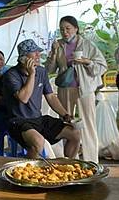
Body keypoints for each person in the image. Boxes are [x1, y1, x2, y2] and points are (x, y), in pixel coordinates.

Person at [3, 39, 80, 159]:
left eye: (38, 52)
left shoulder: (42, 71)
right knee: (38, 142)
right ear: (23, 58)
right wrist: (32, 74)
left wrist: (65, 114)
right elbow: (24, 98)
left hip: (38, 119)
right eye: (34, 52)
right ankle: (29, 173)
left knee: (74, 134)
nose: (38, 55)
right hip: (18, 121)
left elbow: (50, 96)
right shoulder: (11, 75)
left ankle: (67, 166)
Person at [45, 15, 107, 162]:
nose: (65, 32)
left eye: (68, 28)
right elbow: (49, 69)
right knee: (66, 123)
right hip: (65, 89)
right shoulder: (58, 45)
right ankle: (69, 159)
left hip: (84, 89)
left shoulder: (87, 45)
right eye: (62, 29)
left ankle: (91, 160)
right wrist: (53, 54)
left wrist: (87, 62)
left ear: (76, 29)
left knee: (88, 124)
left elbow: (102, 66)